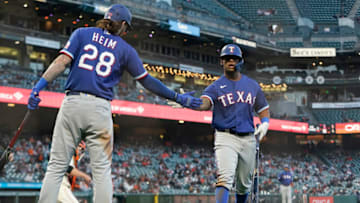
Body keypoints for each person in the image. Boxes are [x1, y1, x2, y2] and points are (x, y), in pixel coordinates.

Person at [27, 4, 202, 203]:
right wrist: (177, 97)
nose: (126, 32)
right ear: (123, 25)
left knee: (56, 166)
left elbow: (60, 62)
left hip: (73, 103)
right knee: (101, 171)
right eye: (127, 28)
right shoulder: (126, 49)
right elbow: (148, 82)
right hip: (100, 108)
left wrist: (38, 86)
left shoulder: (82, 34)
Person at [194, 44, 270, 203]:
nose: (230, 61)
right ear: (221, 62)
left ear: (240, 61)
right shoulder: (215, 86)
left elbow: (263, 108)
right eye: (227, 58)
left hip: (248, 138)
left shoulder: (252, 85)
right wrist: (189, 102)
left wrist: (265, 122)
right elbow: (205, 103)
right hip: (225, 137)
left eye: (234, 58)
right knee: (225, 177)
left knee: (244, 184)